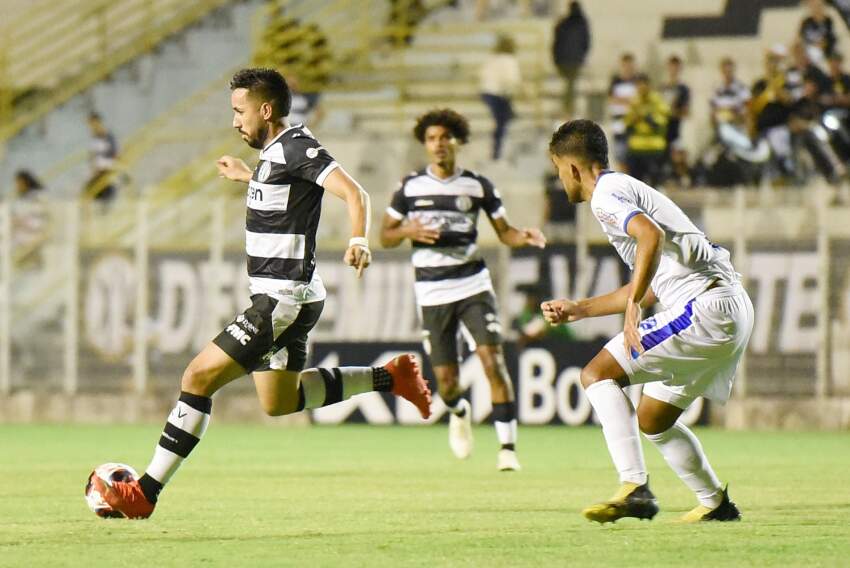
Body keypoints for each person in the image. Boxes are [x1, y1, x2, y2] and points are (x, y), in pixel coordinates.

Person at [92, 68, 433, 519]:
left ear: (265, 110)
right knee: (280, 401)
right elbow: (286, 190)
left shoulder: (297, 146)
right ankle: (392, 377)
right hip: (294, 296)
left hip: (281, 300)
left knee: (196, 379)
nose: (235, 121)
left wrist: (358, 239)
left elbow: (355, 192)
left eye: (240, 111)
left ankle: (145, 493)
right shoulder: (276, 155)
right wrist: (249, 176)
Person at [544, 119, 753, 523]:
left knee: (597, 375)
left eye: (557, 169)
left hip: (705, 309)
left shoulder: (605, 195)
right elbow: (654, 277)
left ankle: (634, 486)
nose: (559, 179)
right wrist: (580, 308)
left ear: (571, 167)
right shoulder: (622, 188)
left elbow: (649, 237)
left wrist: (633, 307)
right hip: (726, 308)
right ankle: (715, 503)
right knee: (653, 418)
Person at [380, 108, 546, 471]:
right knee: (447, 383)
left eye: (445, 137)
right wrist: (407, 231)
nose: (439, 144)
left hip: (472, 284)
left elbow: (504, 232)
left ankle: (507, 450)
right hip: (432, 293)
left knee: (492, 359)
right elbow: (385, 235)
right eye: (432, 139)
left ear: (457, 141)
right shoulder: (409, 187)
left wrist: (523, 236)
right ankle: (459, 411)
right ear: (425, 145)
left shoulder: (478, 185)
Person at [479, 34, 522, 161]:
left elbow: (482, 74)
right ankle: (497, 152)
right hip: (498, 94)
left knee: (502, 120)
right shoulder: (509, 60)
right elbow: (512, 79)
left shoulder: (492, 58)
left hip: (486, 92)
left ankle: (497, 150)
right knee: (502, 122)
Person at [623, 74, 669, 187]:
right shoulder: (634, 101)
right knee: (636, 185)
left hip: (654, 148)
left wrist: (647, 117)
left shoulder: (657, 100)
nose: (641, 88)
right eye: (638, 85)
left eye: (643, 85)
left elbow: (662, 121)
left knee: (654, 184)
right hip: (636, 147)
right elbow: (627, 123)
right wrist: (634, 118)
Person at [552, 1, 591, 116]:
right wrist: (582, 56)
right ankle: (568, 109)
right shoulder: (582, 23)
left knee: (569, 84)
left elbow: (556, 42)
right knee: (570, 84)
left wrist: (556, 58)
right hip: (575, 60)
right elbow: (586, 42)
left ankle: (567, 109)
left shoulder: (563, 23)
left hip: (562, 60)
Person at [607, 53, 639, 171]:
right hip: (619, 125)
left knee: (633, 159)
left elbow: (638, 101)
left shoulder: (637, 81)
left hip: (634, 125)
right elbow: (611, 99)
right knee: (620, 157)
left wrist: (622, 100)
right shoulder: (615, 81)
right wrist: (628, 101)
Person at [84, 112, 118, 201]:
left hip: (105, 172)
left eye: (93, 124)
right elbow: (92, 156)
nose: (91, 127)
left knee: (103, 193)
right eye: (90, 125)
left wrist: (102, 169)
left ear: (98, 122)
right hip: (96, 173)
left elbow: (114, 155)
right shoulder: (94, 138)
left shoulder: (108, 137)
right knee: (88, 192)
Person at [660, 56, 690, 153]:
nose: (673, 70)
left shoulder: (683, 89)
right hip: (662, 130)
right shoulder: (662, 87)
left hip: (676, 129)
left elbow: (685, 111)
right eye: (672, 67)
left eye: (676, 67)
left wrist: (671, 111)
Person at [800, 0, 837, 65]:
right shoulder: (806, 21)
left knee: (816, 53)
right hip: (810, 48)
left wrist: (822, 44)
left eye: (818, 6)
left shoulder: (828, 20)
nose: (815, 8)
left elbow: (831, 38)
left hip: (824, 50)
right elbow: (801, 37)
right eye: (813, 6)